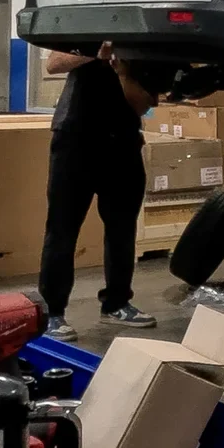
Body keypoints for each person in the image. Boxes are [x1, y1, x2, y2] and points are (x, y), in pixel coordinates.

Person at [38, 40, 158, 338]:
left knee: (122, 228)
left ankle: (117, 303)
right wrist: (96, 53)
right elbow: (53, 63)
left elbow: (142, 104)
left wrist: (122, 72)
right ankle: (53, 313)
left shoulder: (144, 51)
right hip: (75, 137)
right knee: (62, 228)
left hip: (123, 142)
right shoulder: (88, 32)